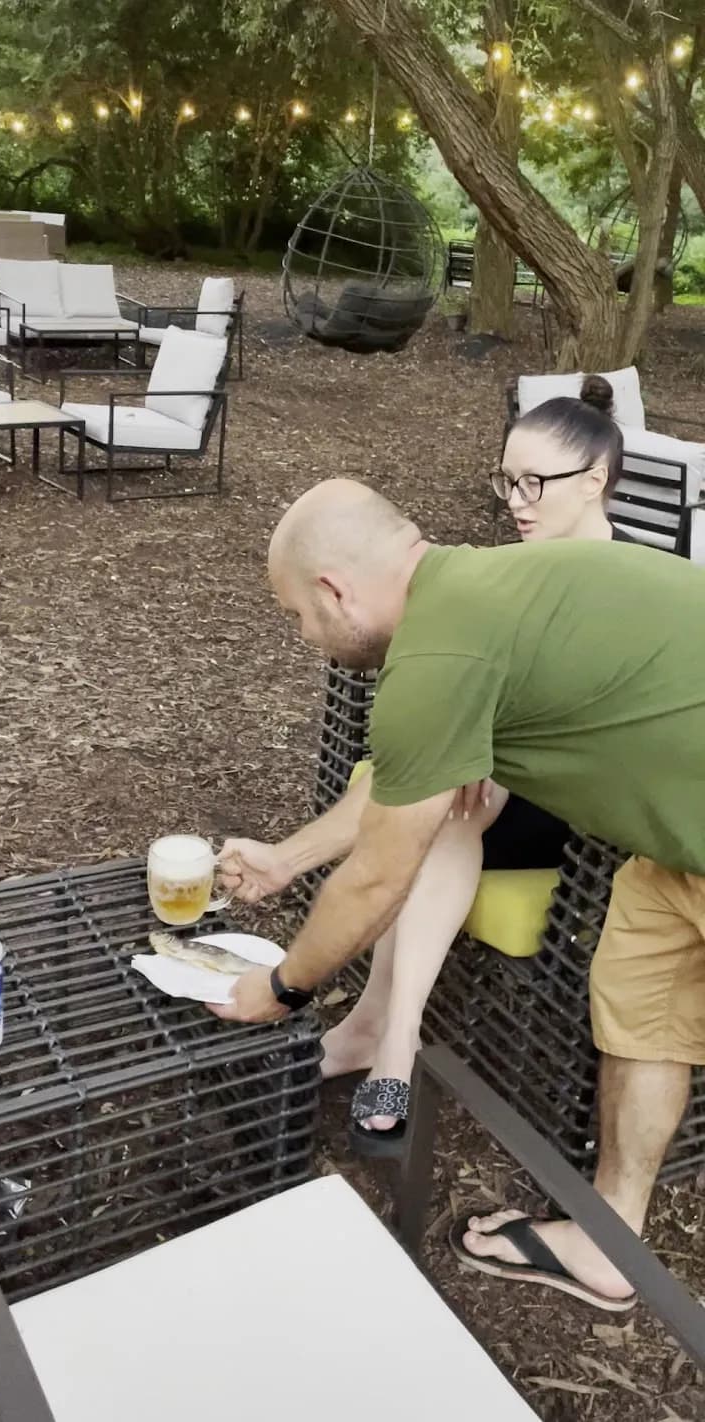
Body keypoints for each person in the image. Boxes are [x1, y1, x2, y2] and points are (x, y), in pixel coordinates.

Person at [206, 468, 705, 1314]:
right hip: (677, 851)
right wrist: (288, 859)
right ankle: (609, 1241)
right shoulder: (476, 596)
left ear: (335, 589)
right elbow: (402, 783)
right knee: (643, 1011)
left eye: (297, 615)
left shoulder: (440, 653)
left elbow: (377, 877)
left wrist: (283, 988)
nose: (305, 637)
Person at [220, 375, 642, 1161]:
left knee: (445, 807)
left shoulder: (624, 583)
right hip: (493, 791)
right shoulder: (504, 574)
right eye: (507, 480)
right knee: (445, 802)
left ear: (594, 482)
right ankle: (372, 1030)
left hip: (588, 814)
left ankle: (390, 1041)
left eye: (535, 483)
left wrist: (477, 748)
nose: (516, 501)